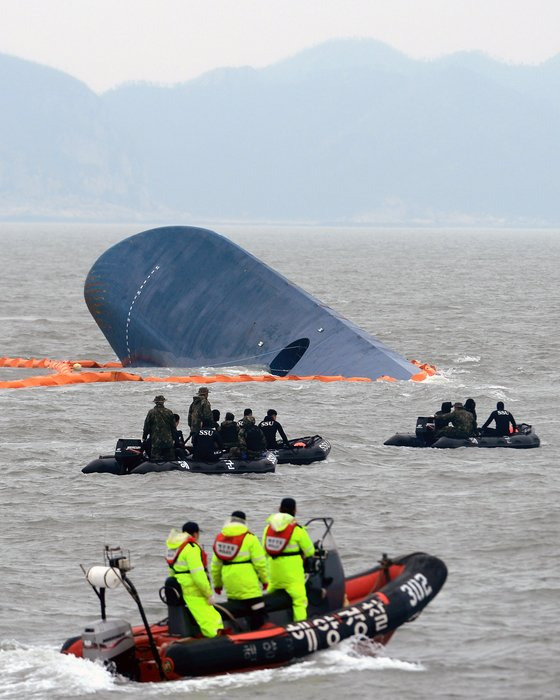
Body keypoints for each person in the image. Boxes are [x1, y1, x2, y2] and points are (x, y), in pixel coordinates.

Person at [211, 510, 269, 630]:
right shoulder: (250, 538)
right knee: (258, 609)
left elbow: (215, 566)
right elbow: (260, 563)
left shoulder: (221, 539)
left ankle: (238, 632)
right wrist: (265, 580)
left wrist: (217, 584)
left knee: (236, 608)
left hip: (229, 581)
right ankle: (257, 635)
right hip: (248, 581)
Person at [165, 521, 224, 638]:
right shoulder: (191, 548)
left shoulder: (174, 547)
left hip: (180, 588)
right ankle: (216, 641)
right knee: (212, 620)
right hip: (193, 591)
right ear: (196, 534)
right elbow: (198, 575)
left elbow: (172, 571)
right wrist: (208, 594)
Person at [262, 497, 315, 622]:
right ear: (295, 510)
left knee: (269, 598)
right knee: (299, 601)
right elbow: (310, 551)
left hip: (274, 573)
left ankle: (267, 623)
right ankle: (300, 627)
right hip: (292, 575)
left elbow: (264, 552)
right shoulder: (297, 530)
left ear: (279, 509)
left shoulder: (268, 529)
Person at [142, 395, 177, 461]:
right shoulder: (169, 412)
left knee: (156, 461)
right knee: (170, 460)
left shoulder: (151, 412)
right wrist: (175, 439)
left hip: (156, 442)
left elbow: (146, 426)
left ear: (155, 402)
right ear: (163, 402)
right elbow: (173, 427)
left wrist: (144, 437)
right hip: (168, 441)